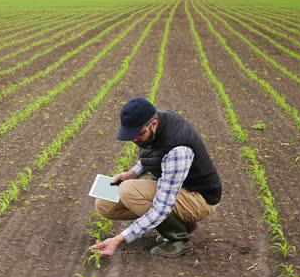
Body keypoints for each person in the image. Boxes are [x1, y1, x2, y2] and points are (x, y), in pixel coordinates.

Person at [90, 97, 221, 257]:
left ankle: (179, 239)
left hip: (199, 199)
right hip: (178, 189)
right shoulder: (155, 123)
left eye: (137, 135)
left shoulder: (178, 149)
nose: (133, 139)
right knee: (105, 204)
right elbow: (155, 152)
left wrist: (119, 239)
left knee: (128, 191)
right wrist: (131, 174)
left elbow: (162, 207)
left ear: (154, 125)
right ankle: (180, 224)